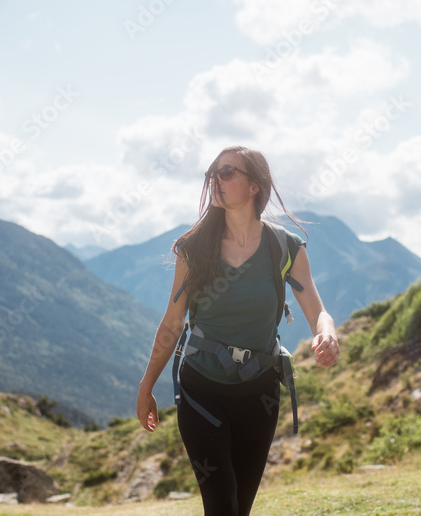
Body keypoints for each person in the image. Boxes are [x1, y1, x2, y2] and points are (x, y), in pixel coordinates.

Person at [136, 145, 340, 516]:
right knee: (221, 503)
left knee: (238, 508)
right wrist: (146, 385)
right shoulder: (193, 248)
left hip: (259, 394)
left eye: (228, 172)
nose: (217, 179)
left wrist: (326, 334)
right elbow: (171, 323)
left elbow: (317, 308)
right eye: (212, 174)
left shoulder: (284, 247)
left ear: (254, 187)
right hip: (201, 389)